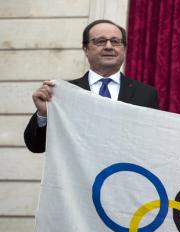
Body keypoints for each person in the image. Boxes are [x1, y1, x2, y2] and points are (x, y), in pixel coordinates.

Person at [24, 19, 159, 153]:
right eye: (100, 41)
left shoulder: (146, 94)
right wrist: (43, 114)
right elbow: (36, 146)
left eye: (115, 41)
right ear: (85, 49)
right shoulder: (63, 93)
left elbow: (153, 144)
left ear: (124, 49)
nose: (108, 46)